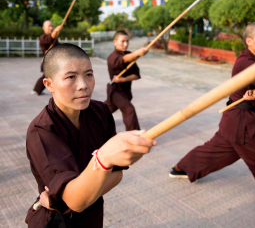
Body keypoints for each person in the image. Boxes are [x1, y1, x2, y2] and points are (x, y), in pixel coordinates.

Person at [26, 44, 157, 228]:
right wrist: (103, 161)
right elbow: (75, 201)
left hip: (93, 216)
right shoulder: (42, 130)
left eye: (89, 74)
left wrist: (82, 195)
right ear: (49, 84)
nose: (84, 85)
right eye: (71, 77)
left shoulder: (100, 111)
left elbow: (117, 174)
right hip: (58, 222)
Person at [169, 21, 255, 228]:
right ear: (249, 41)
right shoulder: (247, 62)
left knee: (216, 151)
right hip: (244, 125)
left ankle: (181, 167)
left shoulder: (254, 59)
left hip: (235, 122)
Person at [105, 30, 148, 131]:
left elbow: (136, 75)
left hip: (125, 91)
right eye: (122, 41)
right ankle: (134, 134)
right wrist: (137, 53)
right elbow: (123, 59)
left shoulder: (129, 54)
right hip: (115, 91)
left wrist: (124, 79)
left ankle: (88, 119)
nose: (125, 44)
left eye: (127, 41)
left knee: (104, 110)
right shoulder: (112, 56)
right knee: (129, 110)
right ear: (114, 42)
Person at [32, 20, 62, 95]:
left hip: (55, 61)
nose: (51, 28)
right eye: (49, 26)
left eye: (52, 26)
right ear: (43, 27)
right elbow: (49, 39)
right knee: (46, 76)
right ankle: (36, 90)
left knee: (57, 75)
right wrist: (56, 30)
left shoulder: (55, 39)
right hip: (47, 61)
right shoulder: (43, 37)